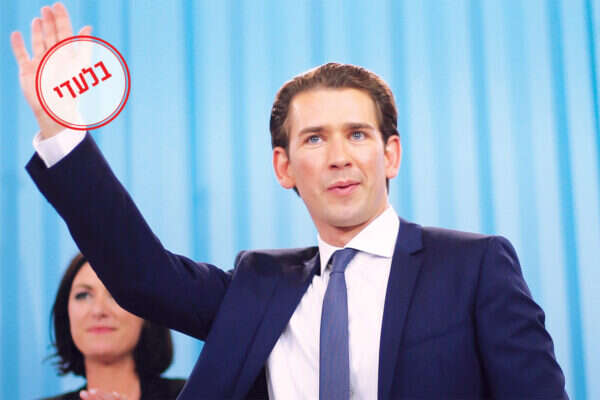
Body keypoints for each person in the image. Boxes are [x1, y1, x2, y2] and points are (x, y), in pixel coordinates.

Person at [13, 3, 568, 399]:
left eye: (357, 134)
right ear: (284, 167)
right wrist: (65, 136)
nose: (339, 157)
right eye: (315, 139)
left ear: (390, 154)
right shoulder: (258, 284)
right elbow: (141, 275)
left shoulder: (474, 266)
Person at [41, 252, 186, 400]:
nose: (98, 310)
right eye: (83, 295)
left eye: (117, 295)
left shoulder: (191, 394)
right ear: (66, 314)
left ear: (146, 314)